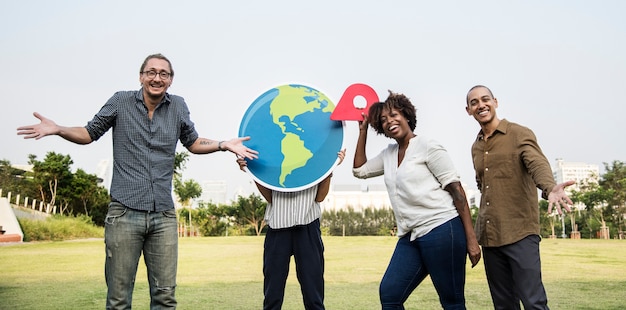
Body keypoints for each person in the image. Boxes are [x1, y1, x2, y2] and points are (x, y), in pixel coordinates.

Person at [17, 53, 258, 309]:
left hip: (163, 216)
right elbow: (89, 133)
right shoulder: (121, 101)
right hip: (123, 213)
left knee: (165, 298)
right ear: (141, 76)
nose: (157, 78)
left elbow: (193, 142)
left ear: (171, 80)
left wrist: (223, 144)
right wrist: (58, 129)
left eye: (163, 74)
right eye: (151, 72)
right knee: (119, 300)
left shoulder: (178, 106)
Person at [352, 91, 481, 309]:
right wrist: (363, 130)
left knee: (452, 301)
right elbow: (359, 170)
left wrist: (471, 239)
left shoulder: (427, 146)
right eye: (383, 120)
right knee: (390, 293)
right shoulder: (389, 154)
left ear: (406, 115)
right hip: (410, 236)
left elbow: (457, 191)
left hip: (442, 229)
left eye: (394, 115)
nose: (389, 121)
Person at [465, 85, 574, 309]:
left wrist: (550, 187)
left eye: (485, 99)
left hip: (520, 233)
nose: (481, 105)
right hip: (490, 236)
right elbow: (483, 185)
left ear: (495, 102)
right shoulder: (475, 147)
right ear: (468, 110)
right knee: (503, 305)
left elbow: (537, 164)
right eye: (474, 102)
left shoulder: (518, 133)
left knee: (534, 302)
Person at [236, 148, 345, 310]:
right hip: (278, 228)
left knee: (314, 297)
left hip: (308, 228)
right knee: (272, 296)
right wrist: (254, 173)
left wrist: (329, 168)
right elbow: (270, 197)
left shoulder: (313, 158)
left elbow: (320, 197)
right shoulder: (276, 159)